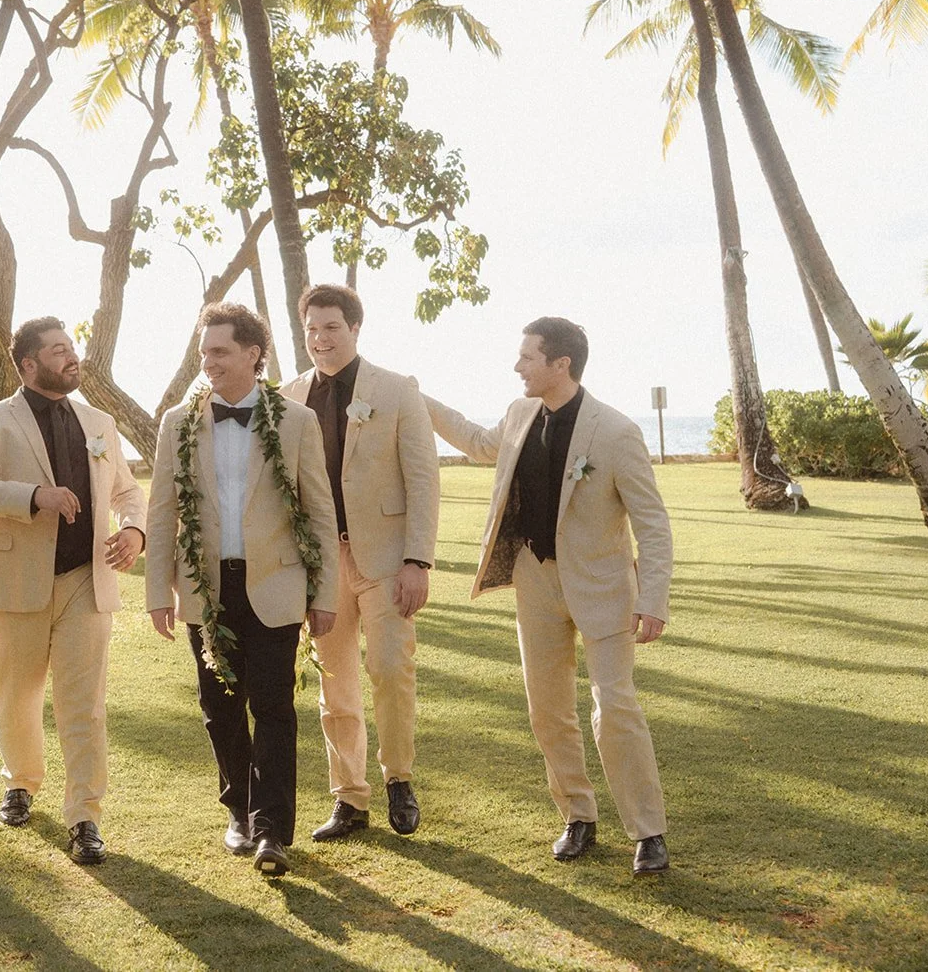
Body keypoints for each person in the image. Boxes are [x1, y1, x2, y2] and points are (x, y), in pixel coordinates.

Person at [426, 317, 673, 876]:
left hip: (605, 588)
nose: (518, 366)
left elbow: (653, 524)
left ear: (561, 364)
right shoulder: (517, 414)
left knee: (615, 709)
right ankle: (578, 815)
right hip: (534, 580)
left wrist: (652, 598)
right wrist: (422, 401)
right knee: (547, 709)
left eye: (527, 358)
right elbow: (480, 444)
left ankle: (648, 831)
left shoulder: (615, 432)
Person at [145, 302, 340, 877]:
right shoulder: (178, 423)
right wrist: (160, 591)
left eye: (220, 352)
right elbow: (161, 515)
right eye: (205, 352)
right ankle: (238, 810)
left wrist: (324, 593)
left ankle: (272, 830)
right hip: (206, 588)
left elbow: (319, 512)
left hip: (276, 586)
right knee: (218, 706)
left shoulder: (296, 421)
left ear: (254, 355)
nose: (208, 363)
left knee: (274, 707)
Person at [0, 318, 146, 866]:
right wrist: (35, 495)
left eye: (72, 347)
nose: (71, 357)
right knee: (16, 695)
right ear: (29, 365)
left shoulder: (99, 421)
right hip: (13, 582)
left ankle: (85, 817)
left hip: (87, 580)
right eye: (58, 350)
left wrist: (134, 531)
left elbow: (130, 493)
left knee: (83, 704)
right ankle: (20, 781)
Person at [282, 284, 439, 841]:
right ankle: (349, 797)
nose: (320, 339)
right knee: (335, 681)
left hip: (388, 558)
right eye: (311, 329)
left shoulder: (397, 390)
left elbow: (423, 479)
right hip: (320, 563)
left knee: (391, 669)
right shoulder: (287, 396)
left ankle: (398, 778)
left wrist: (418, 559)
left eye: (331, 328)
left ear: (355, 329)